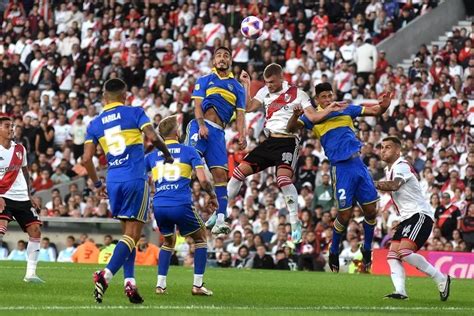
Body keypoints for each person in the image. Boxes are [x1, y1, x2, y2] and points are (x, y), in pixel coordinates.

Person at [228, 63, 343, 243]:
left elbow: (313, 117)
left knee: (282, 179)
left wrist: (329, 109)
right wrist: (247, 84)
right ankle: (220, 213)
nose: (269, 85)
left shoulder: (299, 94)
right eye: (266, 82)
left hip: (288, 141)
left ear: (282, 78)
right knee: (238, 173)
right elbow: (248, 107)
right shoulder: (264, 91)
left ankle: (294, 221)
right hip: (269, 141)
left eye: (272, 82)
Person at [83, 78, 173, 304]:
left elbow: (86, 159)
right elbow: (152, 136)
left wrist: (96, 184)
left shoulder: (94, 124)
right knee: (133, 234)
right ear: (125, 96)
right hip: (135, 177)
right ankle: (105, 275)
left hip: (113, 180)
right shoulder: (134, 112)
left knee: (128, 235)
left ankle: (130, 283)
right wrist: (167, 154)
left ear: (105, 98)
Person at [287, 82, 392, 272]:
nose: (328, 99)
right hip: (341, 168)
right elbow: (291, 128)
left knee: (370, 211)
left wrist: (384, 105)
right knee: (344, 215)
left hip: (358, 164)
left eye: (330, 95)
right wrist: (295, 116)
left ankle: (367, 249)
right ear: (317, 99)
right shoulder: (313, 116)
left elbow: (375, 110)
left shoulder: (345, 108)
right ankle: (333, 249)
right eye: (323, 97)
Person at [146, 115, 217, 296]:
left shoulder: (152, 156)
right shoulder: (189, 151)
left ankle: (160, 285)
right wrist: (211, 195)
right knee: (201, 239)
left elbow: (138, 176)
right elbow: (203, 180)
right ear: (177, 132)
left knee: (168, 241)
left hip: (159, 205)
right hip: (180, 203)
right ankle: (198, 285)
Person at [375, 136, 451, 301]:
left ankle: (441, 278)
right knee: (392, 257)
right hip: (408, 218)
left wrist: (371, 183)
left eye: (388, 147)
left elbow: (394, 186)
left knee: (404, 252)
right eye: (382, 147)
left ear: (397, 150)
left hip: (419, 215)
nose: (383, 150)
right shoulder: (390, 170)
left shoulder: (401, 166)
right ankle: (400, 291)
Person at [185, 46, 247, 235]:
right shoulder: (205, 80)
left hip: (219, 134)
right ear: (213, 61)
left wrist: (242, 134)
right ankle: (177, 201)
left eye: (226, 56)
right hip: (200, 126)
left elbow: (241, 115)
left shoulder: (238, 87)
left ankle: (220, 218)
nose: (222, 58)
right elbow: (197, 105)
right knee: (189, 162)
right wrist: (202, 124)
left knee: (221, 176)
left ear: (230, 61)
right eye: (219, 55)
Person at [0, 115, 43, 282]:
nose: (11, 129)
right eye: (6, 126)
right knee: (1, 230)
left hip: (22, 198)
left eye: (12, 126)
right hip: (3, 196)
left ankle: (30, 274)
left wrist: (29, 194)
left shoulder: (20, 149)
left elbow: (25, 172)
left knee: (35, 231)